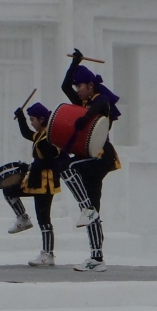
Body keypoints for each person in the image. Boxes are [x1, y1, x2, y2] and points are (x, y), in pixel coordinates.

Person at [60, 50, 122, 272]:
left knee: (67, 167)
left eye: (80, 86)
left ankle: (85, 208)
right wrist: (74, 65)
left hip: (102, 157)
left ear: (90, 85)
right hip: (91, 158)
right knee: (95, 209)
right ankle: (97, 258)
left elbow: (96, 109)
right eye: (77, 87)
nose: (77, 90)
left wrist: (83, 119)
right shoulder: (83, 100)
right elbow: (64, 87)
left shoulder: (101, 101)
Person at [2, 101, 61, 267]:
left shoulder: (49, 137)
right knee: (9, 190)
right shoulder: (40, 135)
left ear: (42, 119)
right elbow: (27, 133)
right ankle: (23, 218)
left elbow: (49, 160)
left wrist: (29, 166)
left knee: (44, 218)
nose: (32, 123)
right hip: (36, 179)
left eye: (33, 119)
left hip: (46, 182)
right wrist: (20, 117)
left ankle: (48, 254)